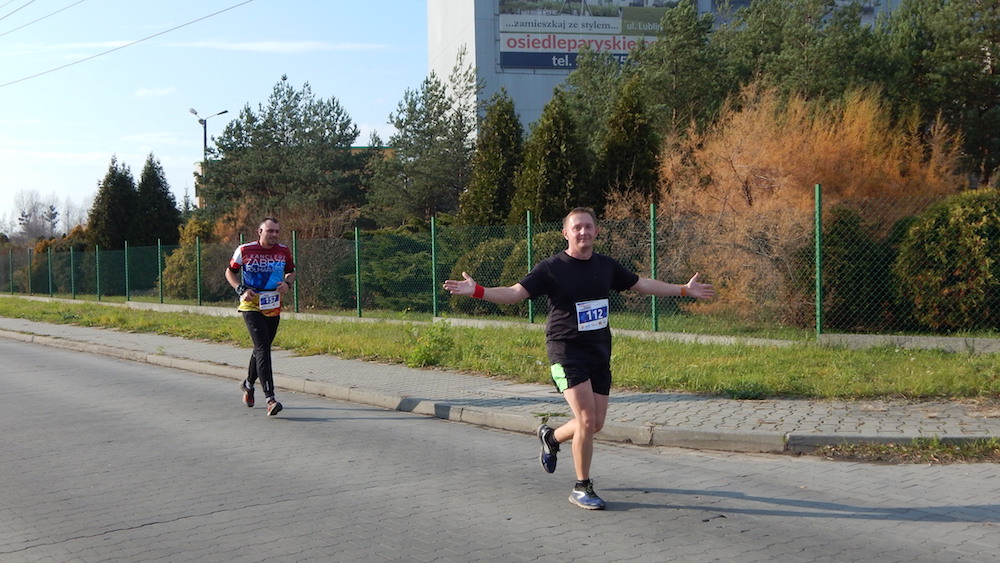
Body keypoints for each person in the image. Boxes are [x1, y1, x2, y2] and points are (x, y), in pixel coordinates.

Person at [443, 207, 714, 510]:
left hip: (598, 351)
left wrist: (683, 290)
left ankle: (551, 438)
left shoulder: (606, 266)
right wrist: (478, 291)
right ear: (566, 234)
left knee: (595, 423)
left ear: (596, 231)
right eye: (577, 228)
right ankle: (581, 487)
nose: (583, 232)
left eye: (588, 227)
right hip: (565, 350)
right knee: (585, 419)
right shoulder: (551, 268)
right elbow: (514, 293)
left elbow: (642, 284)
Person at [225, 217, 296, 417]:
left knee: (261, 348)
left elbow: (291, 272)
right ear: (260, 231)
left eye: (277, 231)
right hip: (251, 304)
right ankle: (270, 399)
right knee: (263, 348)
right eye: (270, 231)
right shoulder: (245, 250)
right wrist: (240, 289)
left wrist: (287, 284)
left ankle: (248, 384)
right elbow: (230, 272)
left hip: (273, 304)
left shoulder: (283, 251)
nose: (274, 235)